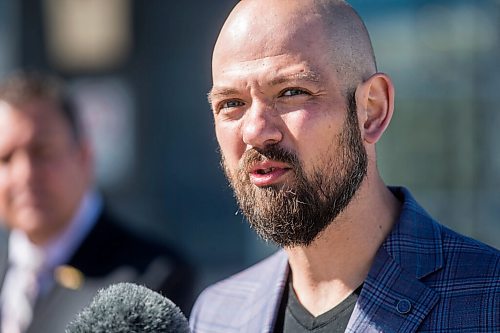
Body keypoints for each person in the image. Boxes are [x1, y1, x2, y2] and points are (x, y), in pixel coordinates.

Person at [189, 0, 500, 332]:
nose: (255, 131)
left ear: (371, 110)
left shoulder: (488, 300)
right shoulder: (216, 314)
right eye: (232, 103)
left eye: (291, 92)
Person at [0, 71, 193, 333]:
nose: (25, 175)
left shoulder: (149, 281)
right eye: (6, 159)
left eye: (42, 152)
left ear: (84, 157)